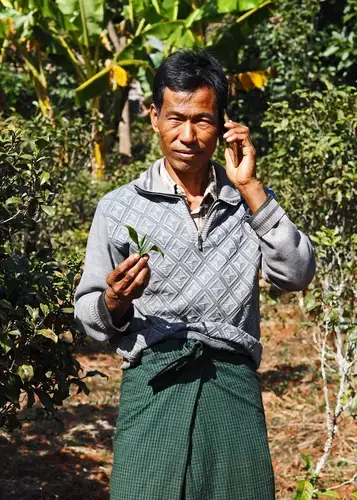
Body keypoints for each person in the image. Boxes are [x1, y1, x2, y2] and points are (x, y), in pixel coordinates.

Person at [74, 49, 315, 500]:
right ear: (153, 116)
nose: (187, 136)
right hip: (153, 386)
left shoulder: (249, 202)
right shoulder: (119, 207)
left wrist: (250, 187)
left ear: (223, 123)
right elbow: (88, 317)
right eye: (175, 118)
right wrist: (115, 302)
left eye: (203, 120)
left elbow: (297, 274)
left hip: (232, 385)